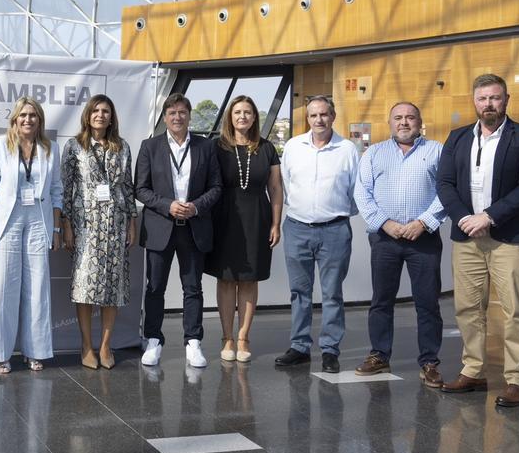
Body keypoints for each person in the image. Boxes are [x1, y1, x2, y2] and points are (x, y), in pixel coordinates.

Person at [437, 74, 519, 408]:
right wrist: (464, 219)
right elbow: (444, 183)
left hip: (509, 237)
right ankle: (473, 370)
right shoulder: (456, 138)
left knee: (516, 309)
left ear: (506, 100)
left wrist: (489, 216)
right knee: (468, 308)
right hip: (466, 236)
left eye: (495, 98)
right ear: (474, 101)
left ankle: (517, 380)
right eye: (483, 98)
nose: (489, 104)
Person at [352, 102, 448, 386]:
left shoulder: (437, 151)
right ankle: (379, 355)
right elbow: (362, 193)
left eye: (410, 117)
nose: (404, 122)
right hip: (385, 238)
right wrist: (386, 223)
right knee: (381, 300)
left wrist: (423, 222)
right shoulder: (374, 153)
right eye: (398, 117)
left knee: (427, 302)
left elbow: (446, 191)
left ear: (420, 121)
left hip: (424, 237)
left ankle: (429, 362)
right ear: (389, 122)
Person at [135, 93, 222, 369]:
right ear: (164, 117)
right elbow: (140, 189)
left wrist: (195, 207)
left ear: (189, 115)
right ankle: (153, 340)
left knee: (193, 288)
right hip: (161, 226)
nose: (177, 117)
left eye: (182, 112)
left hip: (193, 227)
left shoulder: (206, 147)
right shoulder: (150, 147)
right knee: (155, 288)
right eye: (171, 113)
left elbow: (216, 187)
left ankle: (193, 342)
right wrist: (168, 205)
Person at [275, 95, 359, 374]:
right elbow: (286, 184)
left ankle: (330, 350)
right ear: (307, 119)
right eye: (313, 115)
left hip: (335, 229)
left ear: (333, 116)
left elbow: (355, 191)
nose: (319, 120)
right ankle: (299, 346)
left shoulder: (347, 149)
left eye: (324, 114)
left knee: (332, 293)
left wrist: (335, 212)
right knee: (299, 292)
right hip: (297, 227)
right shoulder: (293, 147)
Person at [0, 96, 63, 373]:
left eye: (33, 116)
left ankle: (35, 350)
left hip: (39, 220)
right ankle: (1, 354)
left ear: (39, 120)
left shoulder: (50, 148)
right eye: (23, 115)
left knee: (38, 288)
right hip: (7, 220)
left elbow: (56, 191)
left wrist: (55, 228)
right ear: (14, 119)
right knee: (4, 288)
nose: (28, 120)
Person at [61, 95, 136, 370]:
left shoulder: (122, 146)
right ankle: (86, 346)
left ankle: (105, 346)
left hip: (115, 225)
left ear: (111, 116)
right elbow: (66, 189)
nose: (100, 115)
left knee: (112, 288)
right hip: (85, 226)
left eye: (106, 111)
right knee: (84, 287)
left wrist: (132, 222)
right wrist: (66, 224)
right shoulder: (73, 146)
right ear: (88, 114)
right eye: (96, 110)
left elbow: (128, 188)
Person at [206, 95, 282, 364]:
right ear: (230, 117)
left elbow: (275, 188)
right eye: (237, 112)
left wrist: (276, 222)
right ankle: (227, 337)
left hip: (257, 219)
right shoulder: (217, 147)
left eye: (247, 112)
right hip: (224, 219)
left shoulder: (267, 148)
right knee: (226, 279)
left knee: (249, 278)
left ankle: (243, 337)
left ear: (254, 117)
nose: (242, 117)